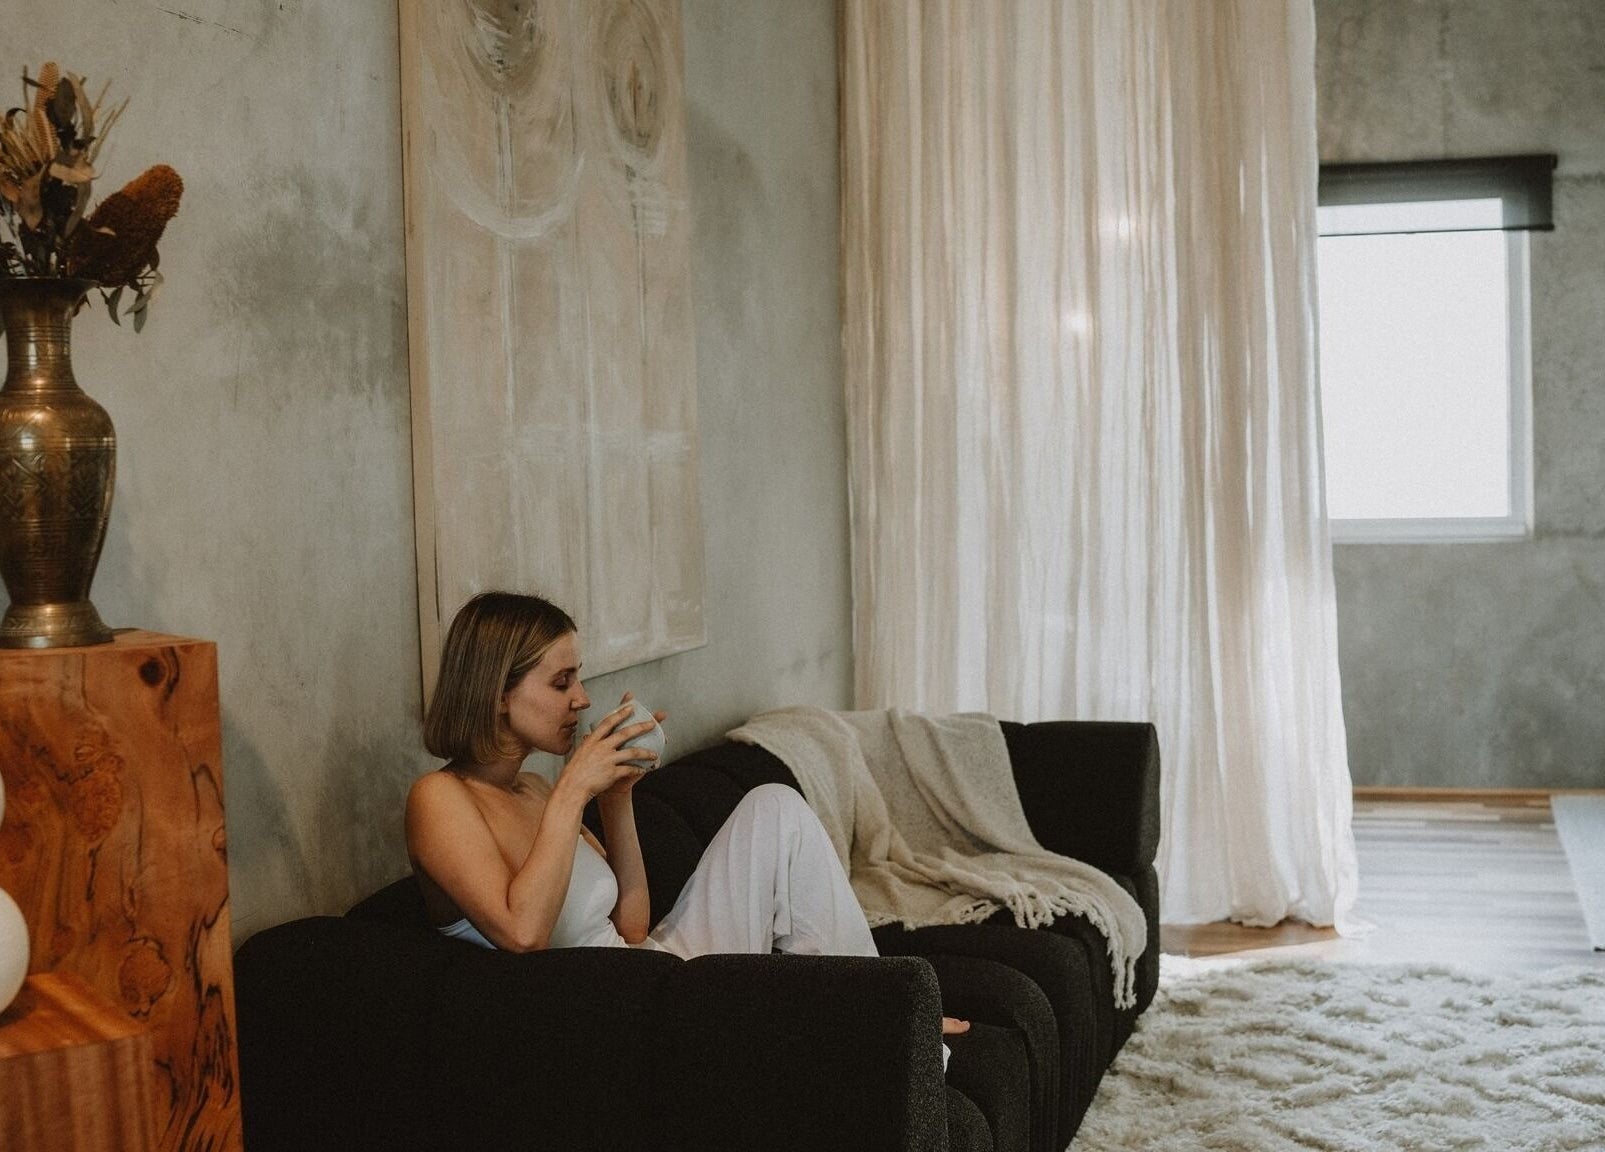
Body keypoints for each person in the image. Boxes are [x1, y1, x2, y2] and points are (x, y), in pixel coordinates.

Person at [404, 591, 969, 1038]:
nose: (581, 698)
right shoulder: (439, 798)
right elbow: (522, 936)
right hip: (620, 1015)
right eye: (561, 682)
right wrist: (573, 790)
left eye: (577, 677)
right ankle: (887, 1022)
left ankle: (882, 1008)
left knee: (775, 808)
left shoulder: (531, 789)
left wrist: (615, 799)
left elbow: (630, 930)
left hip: (649, 968)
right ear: (497, 694)